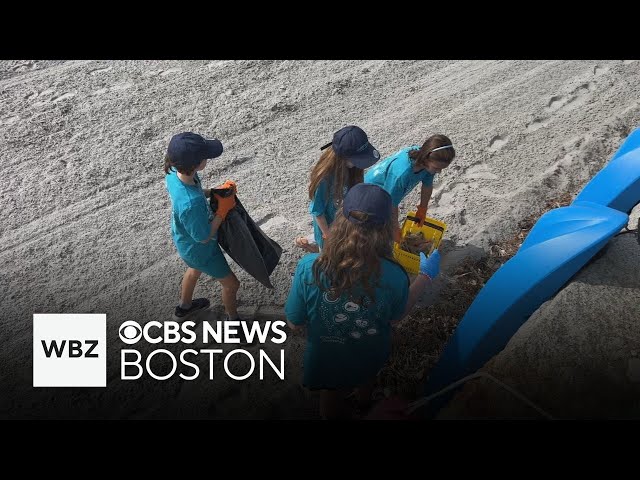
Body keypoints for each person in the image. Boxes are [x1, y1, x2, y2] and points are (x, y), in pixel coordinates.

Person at [285, 183, 441, 419]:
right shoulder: (395, 274)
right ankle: (364, 404)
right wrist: (425, 277)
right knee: (367, 379)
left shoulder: (310, 267)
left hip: (326, 357)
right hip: (370, 353)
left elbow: (294, 322)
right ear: (388, 227)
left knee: (330, 394)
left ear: (340, 219)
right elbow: (396, 318)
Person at [163, 132, 243, 326]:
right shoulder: (190, 204)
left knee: (194, 270)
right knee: (232, 284)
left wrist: (214, 192)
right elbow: (205, 236)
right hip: (201, 250)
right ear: (196, 164)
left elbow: (196, 192)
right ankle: (234, 325)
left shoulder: (175, 174)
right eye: (205, 156)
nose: (207, 158)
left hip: (185, 243)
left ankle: (184, 308)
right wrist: (222, 211)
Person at [294, 125, 381, 253]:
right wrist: (328, 236)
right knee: (330, 256)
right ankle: (315, 246)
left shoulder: (352, 169)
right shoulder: (325, 179)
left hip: (344, 223)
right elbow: (317, 212)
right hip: (328, 229)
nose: (360, 165)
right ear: (343, 158)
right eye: (358, 160)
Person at [364, 134, 455, 242]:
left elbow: (427, 186)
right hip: (370, 195)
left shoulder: (427, 163)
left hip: (388, 191)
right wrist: (395, 229)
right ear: (426, 156)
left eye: (441, 169)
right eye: (437, 168)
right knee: (376, 224)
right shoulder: (402, 174)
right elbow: (391, 204)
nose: (439, 171)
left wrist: (423, 208)